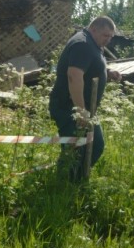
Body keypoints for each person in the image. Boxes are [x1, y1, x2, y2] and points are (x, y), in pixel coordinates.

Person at [49, 16, 122, 181]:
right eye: (105, 35)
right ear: (94, 29)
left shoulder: (92, 43)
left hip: (84, 110)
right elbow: (74, 76)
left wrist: (107, 73)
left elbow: (89, 65)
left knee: (93, 145)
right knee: (77, 150)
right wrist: (80, 111)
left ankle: (75, 181)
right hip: (70, 108)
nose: (108, 40)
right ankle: (66, 187)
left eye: (111, 36)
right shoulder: (83, 44)